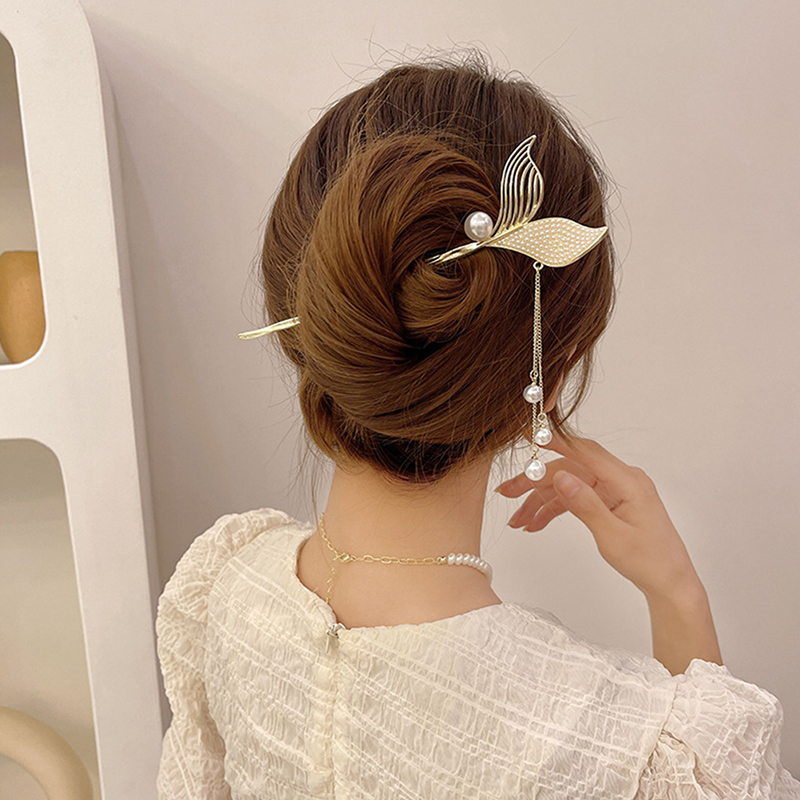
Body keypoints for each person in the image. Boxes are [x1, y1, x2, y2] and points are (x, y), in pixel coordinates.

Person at [155, 49, 800, 798]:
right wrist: (678, 594)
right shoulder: (614, 745)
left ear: (309, 321)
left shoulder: (225, 590)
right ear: (552, 368)